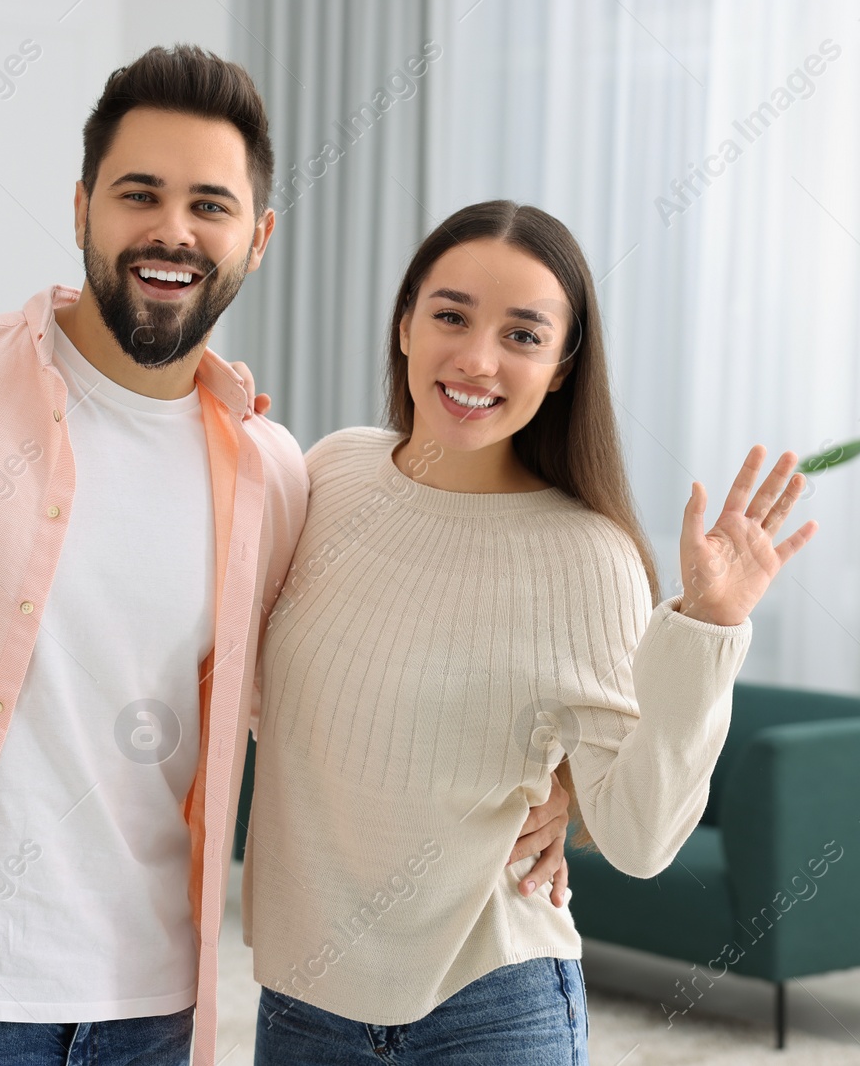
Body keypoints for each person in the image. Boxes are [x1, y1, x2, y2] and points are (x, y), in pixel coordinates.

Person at [0, 46, 568, 1066]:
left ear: (259, 237)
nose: (173, 229)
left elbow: (343, 690)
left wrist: (565, 785)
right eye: (138, 194)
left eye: (210, 203)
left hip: (153, 1015)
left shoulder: (274, 472)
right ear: (81, 209)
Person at [238, 200, 818, 1064]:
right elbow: (263, 692)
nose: (477, 359)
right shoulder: (331, 472)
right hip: (302, 999)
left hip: (491, 1009)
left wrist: (710, 625)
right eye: (451, 316)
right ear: (404, 325)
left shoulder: (589, 555)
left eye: (522, 334)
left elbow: (644, 837)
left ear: (560, 367)